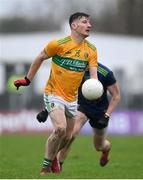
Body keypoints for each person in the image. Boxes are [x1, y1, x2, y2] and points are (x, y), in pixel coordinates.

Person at [13, 12, 98, 175]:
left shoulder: (91, 50)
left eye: (89, 22)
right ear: (74, 26)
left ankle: (52, 159)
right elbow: (40, 57)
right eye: (85, 22)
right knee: (60, 128)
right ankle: (45, 167)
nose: (89, 25)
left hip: (72, 98)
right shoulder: (58, 44)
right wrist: (27, 80)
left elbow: (93, 77)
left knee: (68, 137)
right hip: (53, 93)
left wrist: (94, 91)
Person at [37, 62, 120, 172]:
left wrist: (107, 116)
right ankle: (58, 163)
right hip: (82, 106)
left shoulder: (105, 73)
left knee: (99, 146)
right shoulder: (74, 70)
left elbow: (116, 95)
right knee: (71, 134)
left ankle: (106, 151)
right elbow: (60, 92)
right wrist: (46, 110)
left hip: (100, 111)